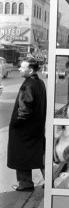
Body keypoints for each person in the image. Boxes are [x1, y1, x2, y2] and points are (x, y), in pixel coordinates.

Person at [7, 57, 47, 191]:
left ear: (30, 70)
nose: (19, 69)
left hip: (24, 130)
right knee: (40, 155)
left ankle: (25, 184)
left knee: (21, 156)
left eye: (22, 67)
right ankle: (51, 181)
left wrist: (15, 123)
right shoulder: (39, 82)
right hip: (36, 128)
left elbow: (24, 110)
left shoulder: (27, 85)